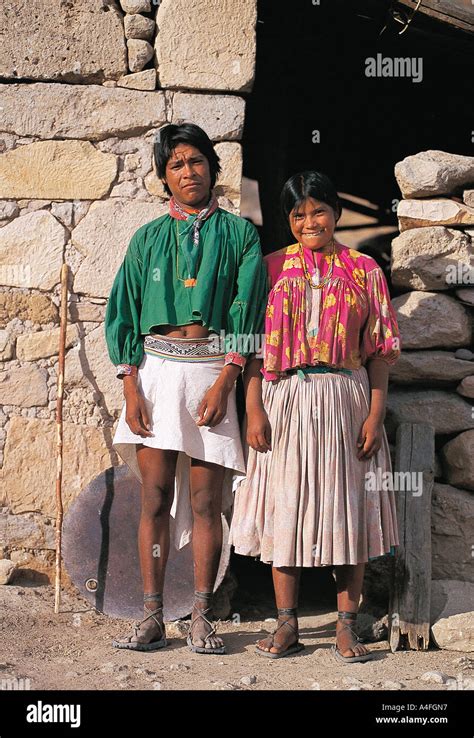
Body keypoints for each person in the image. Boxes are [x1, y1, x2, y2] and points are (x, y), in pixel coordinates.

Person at [104, 123, 267, 654]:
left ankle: (200, 614)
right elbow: (123, 309)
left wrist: (227, 379)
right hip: (154, 373)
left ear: (213, 170)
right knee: (152, 495)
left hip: (210, 372)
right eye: (176, 164)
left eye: (196, 161)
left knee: (205, 499)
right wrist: (131, 386)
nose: (188, 171)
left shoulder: (240, 234)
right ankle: (153, 615)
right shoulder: (147, 238)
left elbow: (249, 309)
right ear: (164, 177)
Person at [229, 170, 402, 662]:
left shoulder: (364, 269)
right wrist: (253, 409)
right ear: (288, 220)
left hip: (345, 398)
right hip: (284, 400)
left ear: (336, 213)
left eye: (319, 210)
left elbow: (380, 354)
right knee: (288, 509)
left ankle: (347, 625)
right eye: (299, 214)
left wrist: (374, 414)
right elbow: (253, 349)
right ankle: (288, 626)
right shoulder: (270, 268)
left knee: (347, 512)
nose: (310, 221)